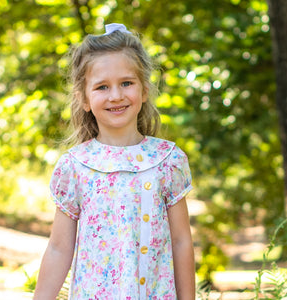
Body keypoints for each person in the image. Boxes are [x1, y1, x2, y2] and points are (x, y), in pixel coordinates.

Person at [33, 23, 195, 300]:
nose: (116, 95)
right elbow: (59, 249)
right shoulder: (76, 166)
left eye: (126, 83)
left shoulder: (167, 160)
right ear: (84, 99)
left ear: (144, 90)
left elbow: (181, 242)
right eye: (102, 87)